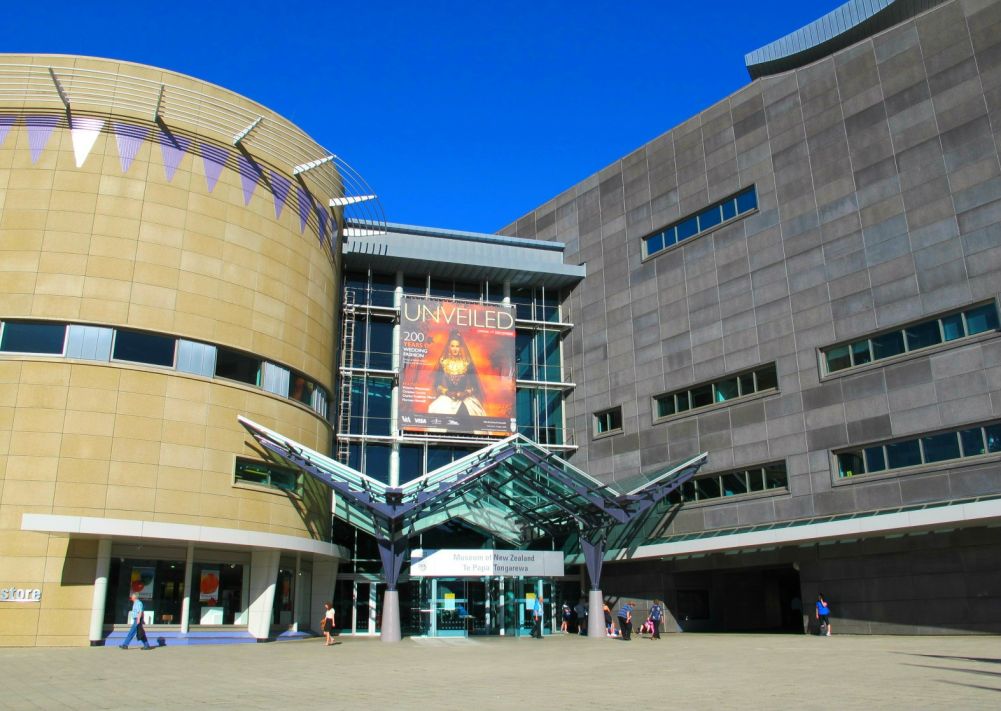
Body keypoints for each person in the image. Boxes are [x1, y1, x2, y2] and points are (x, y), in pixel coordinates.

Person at [427, 331, 486, 417]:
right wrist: (448, 393)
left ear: (460, 348)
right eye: (452, 346)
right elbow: (437, 385)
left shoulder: (466, 363)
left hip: (465, 398)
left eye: (457, 346)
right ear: (448, 347)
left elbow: (475, 386)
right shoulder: (443, 362)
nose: (455, 349)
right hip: (447, 397)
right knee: (435, 409)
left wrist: (465, 393)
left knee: (472, 413)